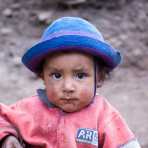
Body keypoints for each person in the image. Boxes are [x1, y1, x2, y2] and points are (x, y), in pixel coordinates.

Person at [0, 17, 141, 148]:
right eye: (56, 75)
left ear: (99, 78)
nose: (68, 87)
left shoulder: (104, 116)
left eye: (80, 76)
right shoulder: (28, 109)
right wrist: (7, 136)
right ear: (43, 76)